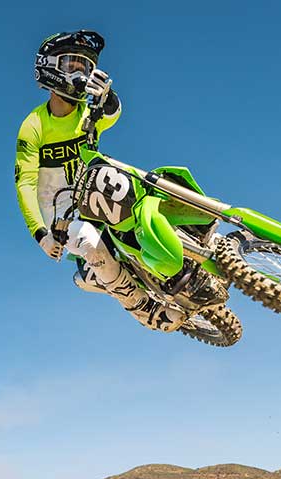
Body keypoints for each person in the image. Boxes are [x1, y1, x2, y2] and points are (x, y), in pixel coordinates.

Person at [14, 30, 185, 332]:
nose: (80, 74)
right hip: (61, 215)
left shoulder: (86, 114)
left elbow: (112, 113)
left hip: (94, 191)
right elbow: (25, 182)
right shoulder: (34, 126)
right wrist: (40, 234)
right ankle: (142, 308)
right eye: (72, 65)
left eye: (86, 67)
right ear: (50, 67)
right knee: (87, 240)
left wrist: (107, 97)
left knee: (144, 182)